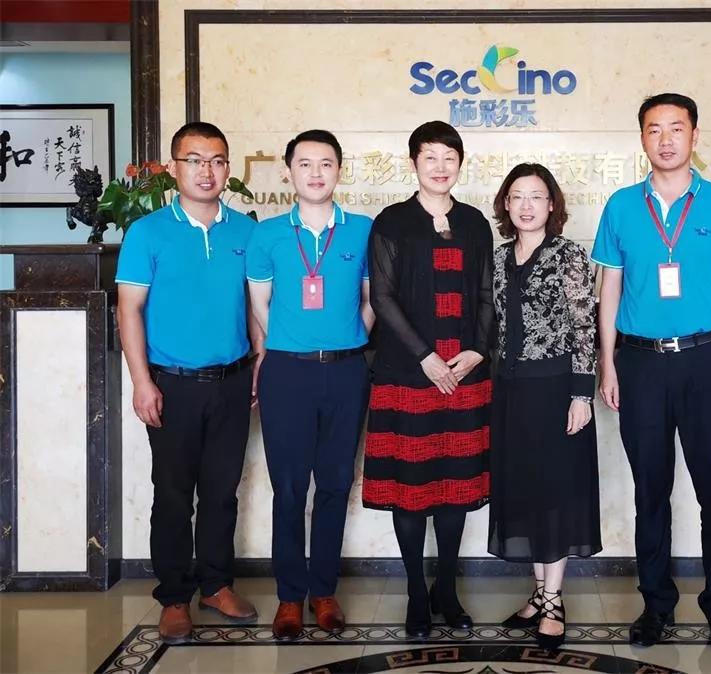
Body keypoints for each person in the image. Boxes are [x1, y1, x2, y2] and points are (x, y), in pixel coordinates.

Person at [592, 93, 711, 659]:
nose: (665, 139)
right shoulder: (621, 206)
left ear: (694, 135)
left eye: (676, 128)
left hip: (706, 360)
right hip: (640, 363)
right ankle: (656, 606)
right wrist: (608, 362)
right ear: (641, 138)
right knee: (651, 491)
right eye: (654, 129)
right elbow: (609, 290)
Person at [116, 121, 262, 644]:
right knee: (174, 494)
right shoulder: (148, 232)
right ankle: (175, 597)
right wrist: (141, 381)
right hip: (171, 384)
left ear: (228, 168)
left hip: (232, 381)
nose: (207, 170)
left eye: (217, 161)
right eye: (195, 160)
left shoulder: (246, 231)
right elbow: (129, 309)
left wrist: (260, 363)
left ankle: (216, 585)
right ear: (174, 167)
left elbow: (255, 307)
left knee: (222, 492)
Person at [361, 121, 494, 639]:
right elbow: (382, 297)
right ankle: (417, 592)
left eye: (449, 158)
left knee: (456, 489)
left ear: (460, 164)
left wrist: (476, 351)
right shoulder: (393, 222)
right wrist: (425, 356)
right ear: (413, 163)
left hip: (464, 374)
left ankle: (447, 590)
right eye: (430, 157)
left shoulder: (475, 223)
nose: (440, 167)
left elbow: (485, 294)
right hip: (408, 375)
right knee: (411, 491)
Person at [246, 130, 374, 640]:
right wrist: (289, 340)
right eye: (305, 164)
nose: (316, 173)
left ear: (340, 170)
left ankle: (324, 592)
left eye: (325, 163)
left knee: (336, 484)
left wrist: (350, 335)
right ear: (289, 172)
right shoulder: (268, 235)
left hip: (346, 371)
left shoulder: (362, 230)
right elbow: (260, 304)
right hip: (287, 373)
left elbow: (371, 299)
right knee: (289, 487)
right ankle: (289, 596)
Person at [488, 163, 601, 650]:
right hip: (510, 391)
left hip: (556, 390)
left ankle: (554, 600)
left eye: (536, 196)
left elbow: (584, 325)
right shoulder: (498, 257)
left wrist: (582, 394)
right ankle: (538, 592)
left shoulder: (568, 254)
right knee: (527, 491)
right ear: (506, 204)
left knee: (556, 493)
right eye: (517, 196)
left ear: (552, 204)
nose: (527, 205)